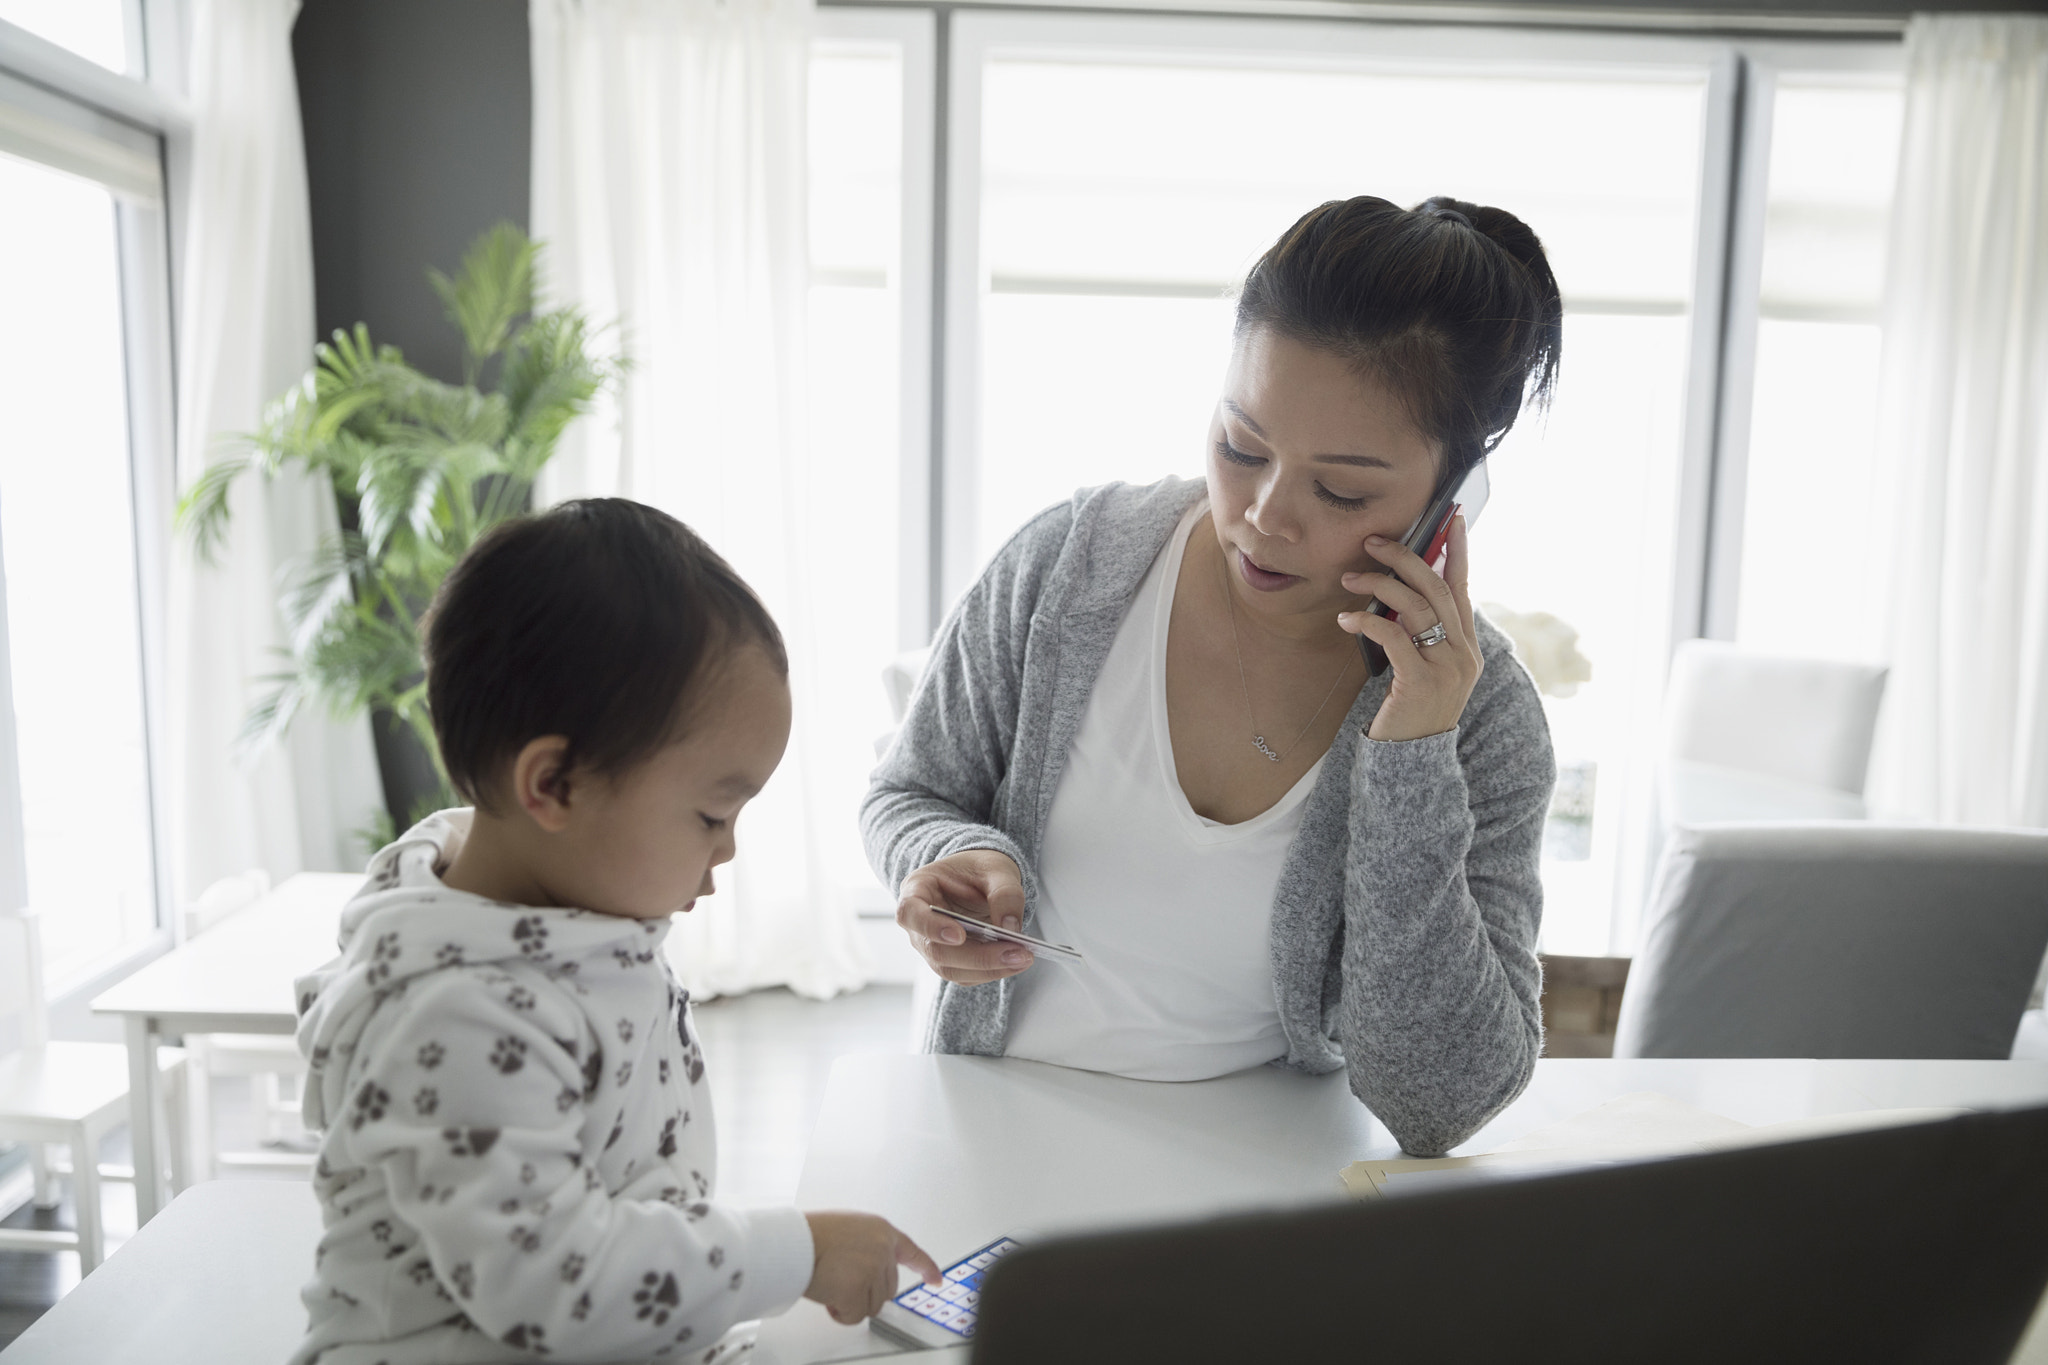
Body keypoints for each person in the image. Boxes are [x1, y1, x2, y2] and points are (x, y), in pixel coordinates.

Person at [866, 195, 1563, 1159]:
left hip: (1255, 1181)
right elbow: (910, 792)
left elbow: (1439, 1102)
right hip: (987, 1134)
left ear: (1450, 500)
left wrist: (1414, 751)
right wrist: (944, 857)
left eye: (1343, 489)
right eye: (1241, 445)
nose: (1266, 516)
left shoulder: (1482, 719)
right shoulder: (1071, 565)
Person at [290, 499, 940, 1365]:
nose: (730, 845)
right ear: (552, 784)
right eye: (711, 813)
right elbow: (556, 1284)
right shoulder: (455, 1015)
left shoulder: (556, 912)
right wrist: (798, 1253)